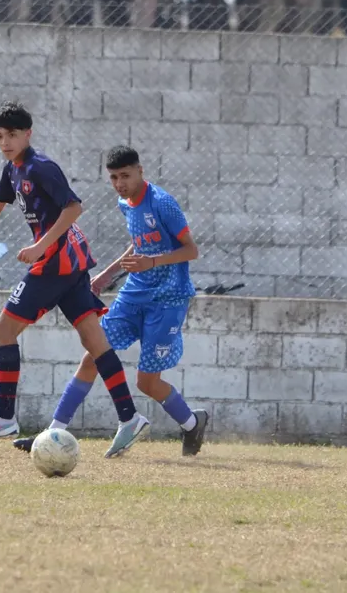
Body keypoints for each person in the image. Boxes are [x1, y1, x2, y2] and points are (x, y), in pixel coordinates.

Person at [0, 102, 151, 458]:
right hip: (70, 264)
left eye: (12, 135)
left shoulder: (41, 167)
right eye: (0, 136)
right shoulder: (13, 169)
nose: (5, 142)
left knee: (2, 331)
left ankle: (5, 416)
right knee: (94, 341)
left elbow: (74, 207)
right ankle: (129, 417)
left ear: (28, 134)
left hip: (55, 263)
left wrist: (39, 246)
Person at [13, 145, 210, 457]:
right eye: (114, 177)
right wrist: (107, 274)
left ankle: (191, 423)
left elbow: (191, 250)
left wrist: (154, 262)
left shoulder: (162, 203)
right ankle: (54, 432)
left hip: (168, 299)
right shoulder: (125, 203)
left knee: (147, 382)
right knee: (93, 354)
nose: (120, 183)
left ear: (140, 172)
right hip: (134, 294)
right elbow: (139, 244)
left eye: (126, 176)